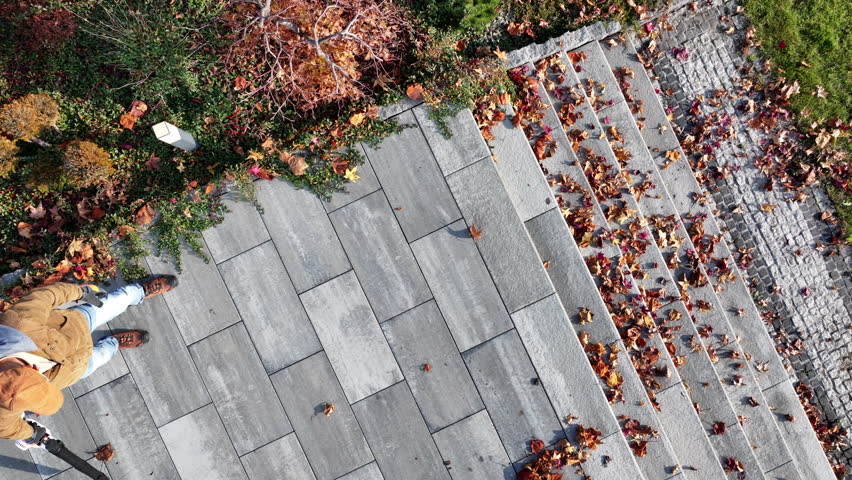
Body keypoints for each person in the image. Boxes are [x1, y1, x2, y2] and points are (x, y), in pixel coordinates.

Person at [0, 276, 177, 447]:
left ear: (34, 368)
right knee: (100, 358)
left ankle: (139, 291)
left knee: (115, 303)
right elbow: (12, 429)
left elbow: (46, 296)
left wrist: (81, 292)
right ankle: (114, 343)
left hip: (75, 325)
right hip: (75, 369)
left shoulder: (19, 325)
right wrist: (32, 435)